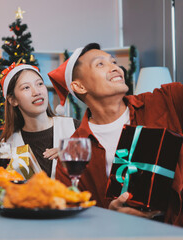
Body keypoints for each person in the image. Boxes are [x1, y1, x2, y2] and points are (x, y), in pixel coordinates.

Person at [48, 43, 183, 225]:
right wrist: (111, 215)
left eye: (114, 62)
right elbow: (72, 221)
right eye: (100, 64)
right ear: (79, 86)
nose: (115, 67)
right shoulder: (73, 153)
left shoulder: (166, 100)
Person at [0, 63, 79, 178]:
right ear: (13, 100)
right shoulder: (8, 144)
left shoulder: (73, 127)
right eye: (26, 87)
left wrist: (73, 156)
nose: (36, 92)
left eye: (40, 84)